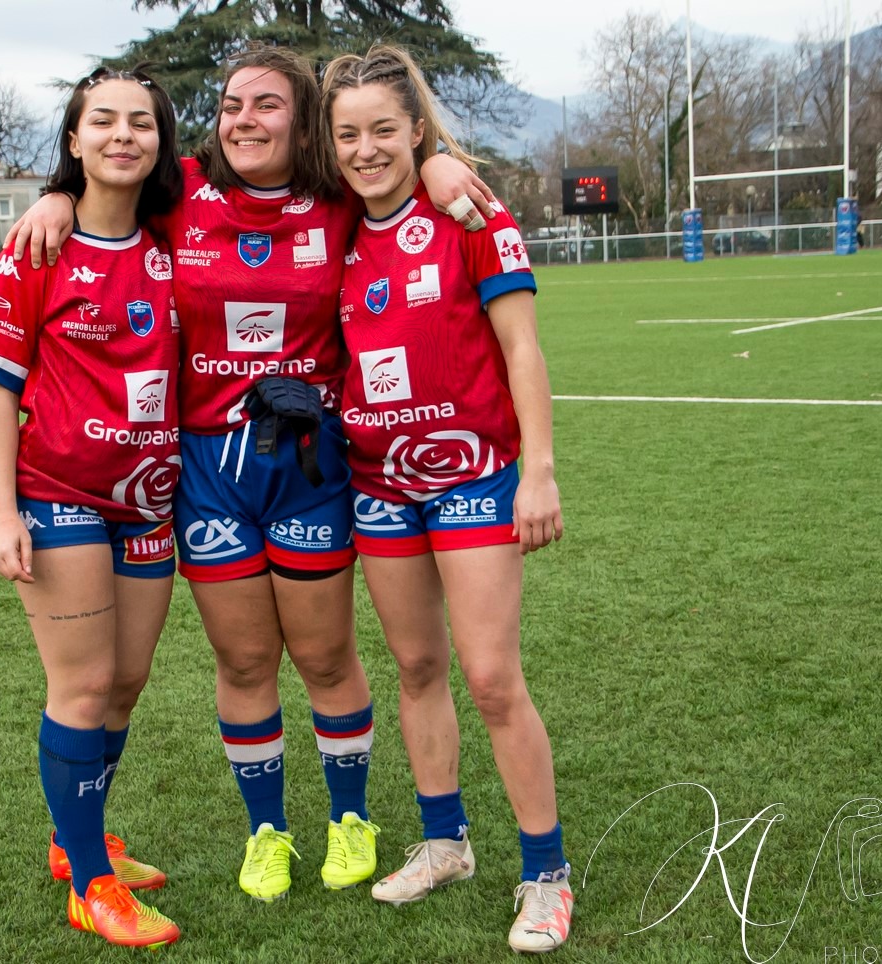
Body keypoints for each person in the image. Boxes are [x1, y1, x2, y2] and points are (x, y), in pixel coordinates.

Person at [7, 44, 496, 903]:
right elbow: (104, 187)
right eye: (233, 105)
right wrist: (54, 190)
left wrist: (442, 162)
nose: (245, 120)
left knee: (327, 654)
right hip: (206, 470)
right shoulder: (181, 196)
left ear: (301, 119)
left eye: (268, 105)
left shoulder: (338, 198)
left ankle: (351, 819)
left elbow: (388, 163)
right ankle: (265, 834)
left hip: (308, 464)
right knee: (242, 663)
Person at [322, 45, 573, 953]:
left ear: (417, 130)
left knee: (492, 677)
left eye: (385, 130)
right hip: (378, 485)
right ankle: (444, 843)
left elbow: (523, 350)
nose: (365, 149)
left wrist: (537, 467)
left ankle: (546, 873)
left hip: (472, 478)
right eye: (347, 134)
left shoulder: (466, 206)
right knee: (417, 671)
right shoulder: (336, 229)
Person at [0, 67, 184, 949]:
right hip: (59, 497)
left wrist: (435, 162)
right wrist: (0, 511)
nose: (123, 135)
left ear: (162, 144)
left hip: (152, 501)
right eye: (104, 121)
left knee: (124, 684)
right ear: (74, 140)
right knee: (84, 683)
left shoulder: (179, 236)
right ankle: (91, 883)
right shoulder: (36, 247)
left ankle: (75, 839)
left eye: (141, 122)